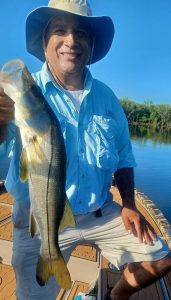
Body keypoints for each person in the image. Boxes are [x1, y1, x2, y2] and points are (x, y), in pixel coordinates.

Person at [0, 1, 171, 299]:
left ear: (90, 44)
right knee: (32, 296)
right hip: (37, 217)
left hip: (100, 212)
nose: (71, 40)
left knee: (161, 257)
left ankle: (115, 295)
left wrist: (129, 203)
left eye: (80, 32)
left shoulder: (108, 99)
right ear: (45, 40)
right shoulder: (21, 96)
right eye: (60, 30)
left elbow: (124, 158)